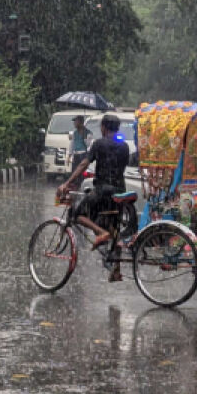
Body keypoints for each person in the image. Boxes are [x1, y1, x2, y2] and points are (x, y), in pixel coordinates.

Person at [58, 114, 131, 279]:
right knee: (114, 228)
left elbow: (84, 163)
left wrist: (68, 182)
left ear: (104, 128)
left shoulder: (99, 144)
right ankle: (116, 270)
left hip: (102, 191)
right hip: (120, 192)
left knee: (77, 214)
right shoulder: (125, 146)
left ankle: (100, 232)